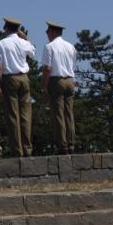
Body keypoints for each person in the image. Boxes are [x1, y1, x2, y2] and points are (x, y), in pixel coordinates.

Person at [0, 17, 36, 157]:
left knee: (12, 116)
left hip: (9, 79)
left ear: (5, 29)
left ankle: (17, 150)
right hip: (24, 78)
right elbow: (32, 54)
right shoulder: (23, 42)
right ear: (18, 30)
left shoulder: (1, 44)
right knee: (25, 115)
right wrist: (24, 36)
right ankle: (27, 148)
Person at [40, 21, 77, 155]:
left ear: (53, 32)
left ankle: (62, 146)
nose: (46, 34)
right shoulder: (70, 46)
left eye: (47, 31)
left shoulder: (49, 47)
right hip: (70, 80)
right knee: (69, 114)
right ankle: (71, 143)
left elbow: (47, 68)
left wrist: (43, 86)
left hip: (57, 80)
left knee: (58, 115)